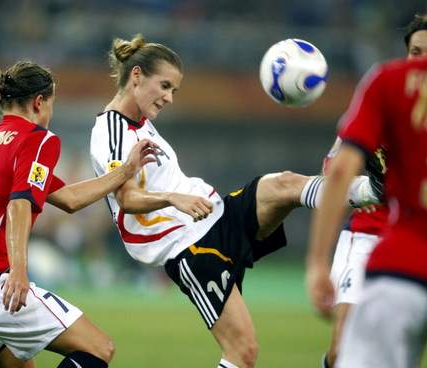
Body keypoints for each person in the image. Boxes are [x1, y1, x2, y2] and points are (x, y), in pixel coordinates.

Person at [90, 34, 380, 368]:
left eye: (174, 90)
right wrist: (173, 198)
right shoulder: (110, 130)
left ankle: (374, 191)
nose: (169, 98)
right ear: (137, 75)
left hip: (215, 218)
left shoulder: (142, 124)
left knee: (282, 184)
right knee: (243, 353)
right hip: (188, 248)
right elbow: (126, 198)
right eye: (165, 86)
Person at [0, 61, 157, 368]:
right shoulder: (37, 138)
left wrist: (126, 170)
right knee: (99, 349)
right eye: (51, 104)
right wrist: (19, 270)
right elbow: (19, 203)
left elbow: (70, 198)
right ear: (39, 102)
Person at [306, 48, 427, 368]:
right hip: (375, 236)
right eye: (416, 50)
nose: (421, 57)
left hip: (405, 257)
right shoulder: (387, 89)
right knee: (340, 351)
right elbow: (334, 172)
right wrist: (371, 188)